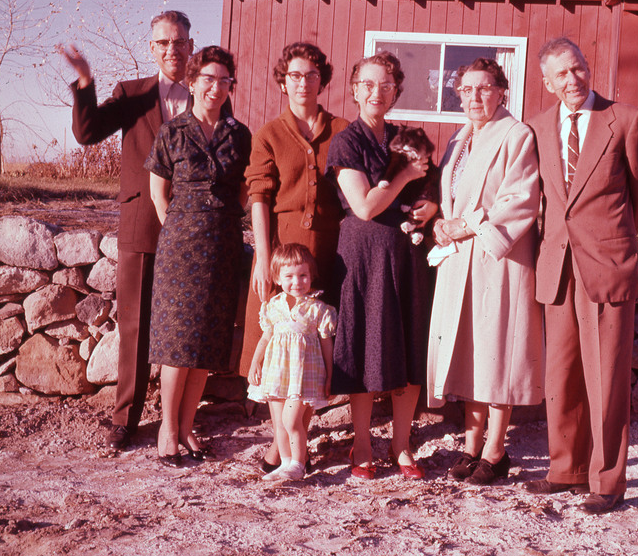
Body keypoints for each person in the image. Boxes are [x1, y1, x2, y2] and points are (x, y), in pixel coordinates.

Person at [525, 37, 638, 514]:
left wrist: (610, 241)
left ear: (587, 68)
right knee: (561, 374)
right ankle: (566, 469)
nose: (573, 80)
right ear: (547, 82)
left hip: (606, 266)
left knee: (605, 379)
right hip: (557, 267)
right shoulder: (538, 127)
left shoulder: (625, 119)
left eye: (578, 69)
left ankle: (606, 482)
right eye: (561, 74)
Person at [62, 10, 195, 452]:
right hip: (142, 222)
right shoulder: (133, 94)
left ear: (191, 45)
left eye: (179, 42)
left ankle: (179, 420)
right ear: (151, 48)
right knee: (136, 324)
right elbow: (87, 133)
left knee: (188, 322)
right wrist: (85, 82)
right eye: (163, 43)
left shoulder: (210, 94)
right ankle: (126, 419)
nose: (172, 50)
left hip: (193, 227)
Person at [427, 58, 544, 486]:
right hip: (461, 257)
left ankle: (496, 450)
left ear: (501, 92)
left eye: (484, 88)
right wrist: (441, 222)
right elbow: (452, 198)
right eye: (466, 89)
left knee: (498, 351)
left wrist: (465, 224)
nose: (474, 97)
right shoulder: (459, 139)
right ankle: (471, 443)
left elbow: (520, 199)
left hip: (500, 258)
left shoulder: (516, 135)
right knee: (470, 349)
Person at [325, 51, 438, 480]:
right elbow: (365, 206)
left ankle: (403, 443)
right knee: (366, 346)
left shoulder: (407, 136)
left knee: (408, 345)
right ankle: (362, 443)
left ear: (396, 91)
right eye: (368, 84)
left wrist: (427, 208)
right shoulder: (347, 141)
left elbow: (431, 188)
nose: (377, 92)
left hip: (407, 254)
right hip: (364, 256)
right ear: (354, 90)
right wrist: (405, 178)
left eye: (386, 85)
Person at [238, 42, 348, 473]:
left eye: (312, 75)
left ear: (323, 81)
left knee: (315, 348)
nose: (303, 83)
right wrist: (264, 256)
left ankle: (295, 437)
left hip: (328, 249)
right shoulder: (268, 133)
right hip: (281, 251)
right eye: (295, 75)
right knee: (277, 345)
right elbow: (259, 196)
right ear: (283, 81)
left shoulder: (341, 129)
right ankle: (278, 444)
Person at [144, 46, 251, 466]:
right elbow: (158, 192)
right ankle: (167, 433)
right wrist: (178, 228)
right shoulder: (172, 132)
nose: (216, 87)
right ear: (192, 82)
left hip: (223, 246)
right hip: (181, 248)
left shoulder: (239, 134)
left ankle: (189, 429)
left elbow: (244, 189)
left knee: (204, 348)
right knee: (178, 346)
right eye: (208, 78)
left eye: (224, 80)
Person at [247, 243, 336, 483]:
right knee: (278, 424)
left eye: (303, 275)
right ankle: (285, 464)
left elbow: (326, 343)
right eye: (289, 276)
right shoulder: (272, 306)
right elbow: (266, 337)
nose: (297, 282)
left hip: (304, 376)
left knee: (291, 419)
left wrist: (330, 375)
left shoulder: (318, 308)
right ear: (277, 278)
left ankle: (298, 462)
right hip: (276, 374)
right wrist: (255, 364)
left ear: (311, 275)